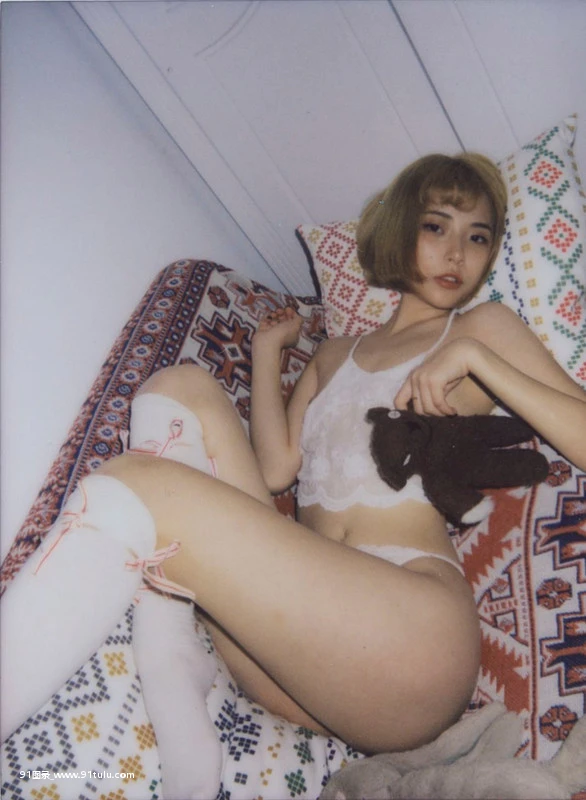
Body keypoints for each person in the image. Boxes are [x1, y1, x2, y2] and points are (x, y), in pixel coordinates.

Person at [3, 154, 586, 768]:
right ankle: (172, 650)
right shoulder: (334, 354)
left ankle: (167, 654)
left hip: (409, 646)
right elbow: (276, 472)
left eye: (478, 237)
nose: (457, 253)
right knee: (178, 386)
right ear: (399, 231)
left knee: (138, 485)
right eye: (435, 227)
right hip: (298, 654)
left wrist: (477, 359)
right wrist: (267, 351)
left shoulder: (484, 327)